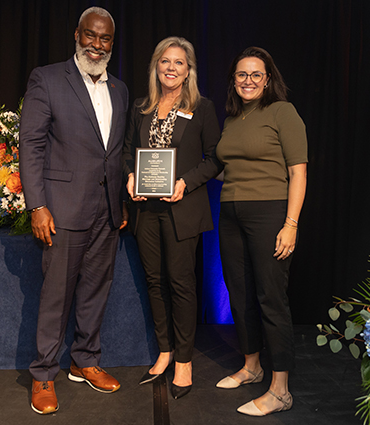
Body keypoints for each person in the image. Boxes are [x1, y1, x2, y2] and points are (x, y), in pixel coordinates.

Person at [19, 6, 129, 415]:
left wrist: (119, 200)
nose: (97, 45)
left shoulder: (119, 88)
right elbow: (30, 145)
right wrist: (38, 205)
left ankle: (85, 361)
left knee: (96, 290)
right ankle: (44, 373)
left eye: (105, 39)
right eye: (91, 36)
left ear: (111, 44)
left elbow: (114, 153)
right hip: (62, 210)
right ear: (78, 35)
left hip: (106, 211)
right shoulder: (47, 79)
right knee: (56, 295)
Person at [123, 36, 222, 400]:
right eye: (165, 61)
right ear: (156, 66)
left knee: (181, 283)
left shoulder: (202, 108)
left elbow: (215, 158)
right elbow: (125, 151)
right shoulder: (141, 107)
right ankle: (164, 350)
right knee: (154, 280)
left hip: (183, 208)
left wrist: (185, 183)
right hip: (146, 210)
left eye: (179, 62)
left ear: (188, 70)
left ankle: (184, 361)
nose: (171, 68)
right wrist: (129, 176)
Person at [214, 46, 308, 417]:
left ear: (268, 79)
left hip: (270, 213)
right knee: (239, 293)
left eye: (256, 75)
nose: (248, 81)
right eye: (241, 75)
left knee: (271, 298)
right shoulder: (233, 117)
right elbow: (225, 165)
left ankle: (280, 389)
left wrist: (291, 224)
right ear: (233, 80)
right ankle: (252, 367)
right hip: (230, 213)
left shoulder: (282, 112)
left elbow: (298, 172)